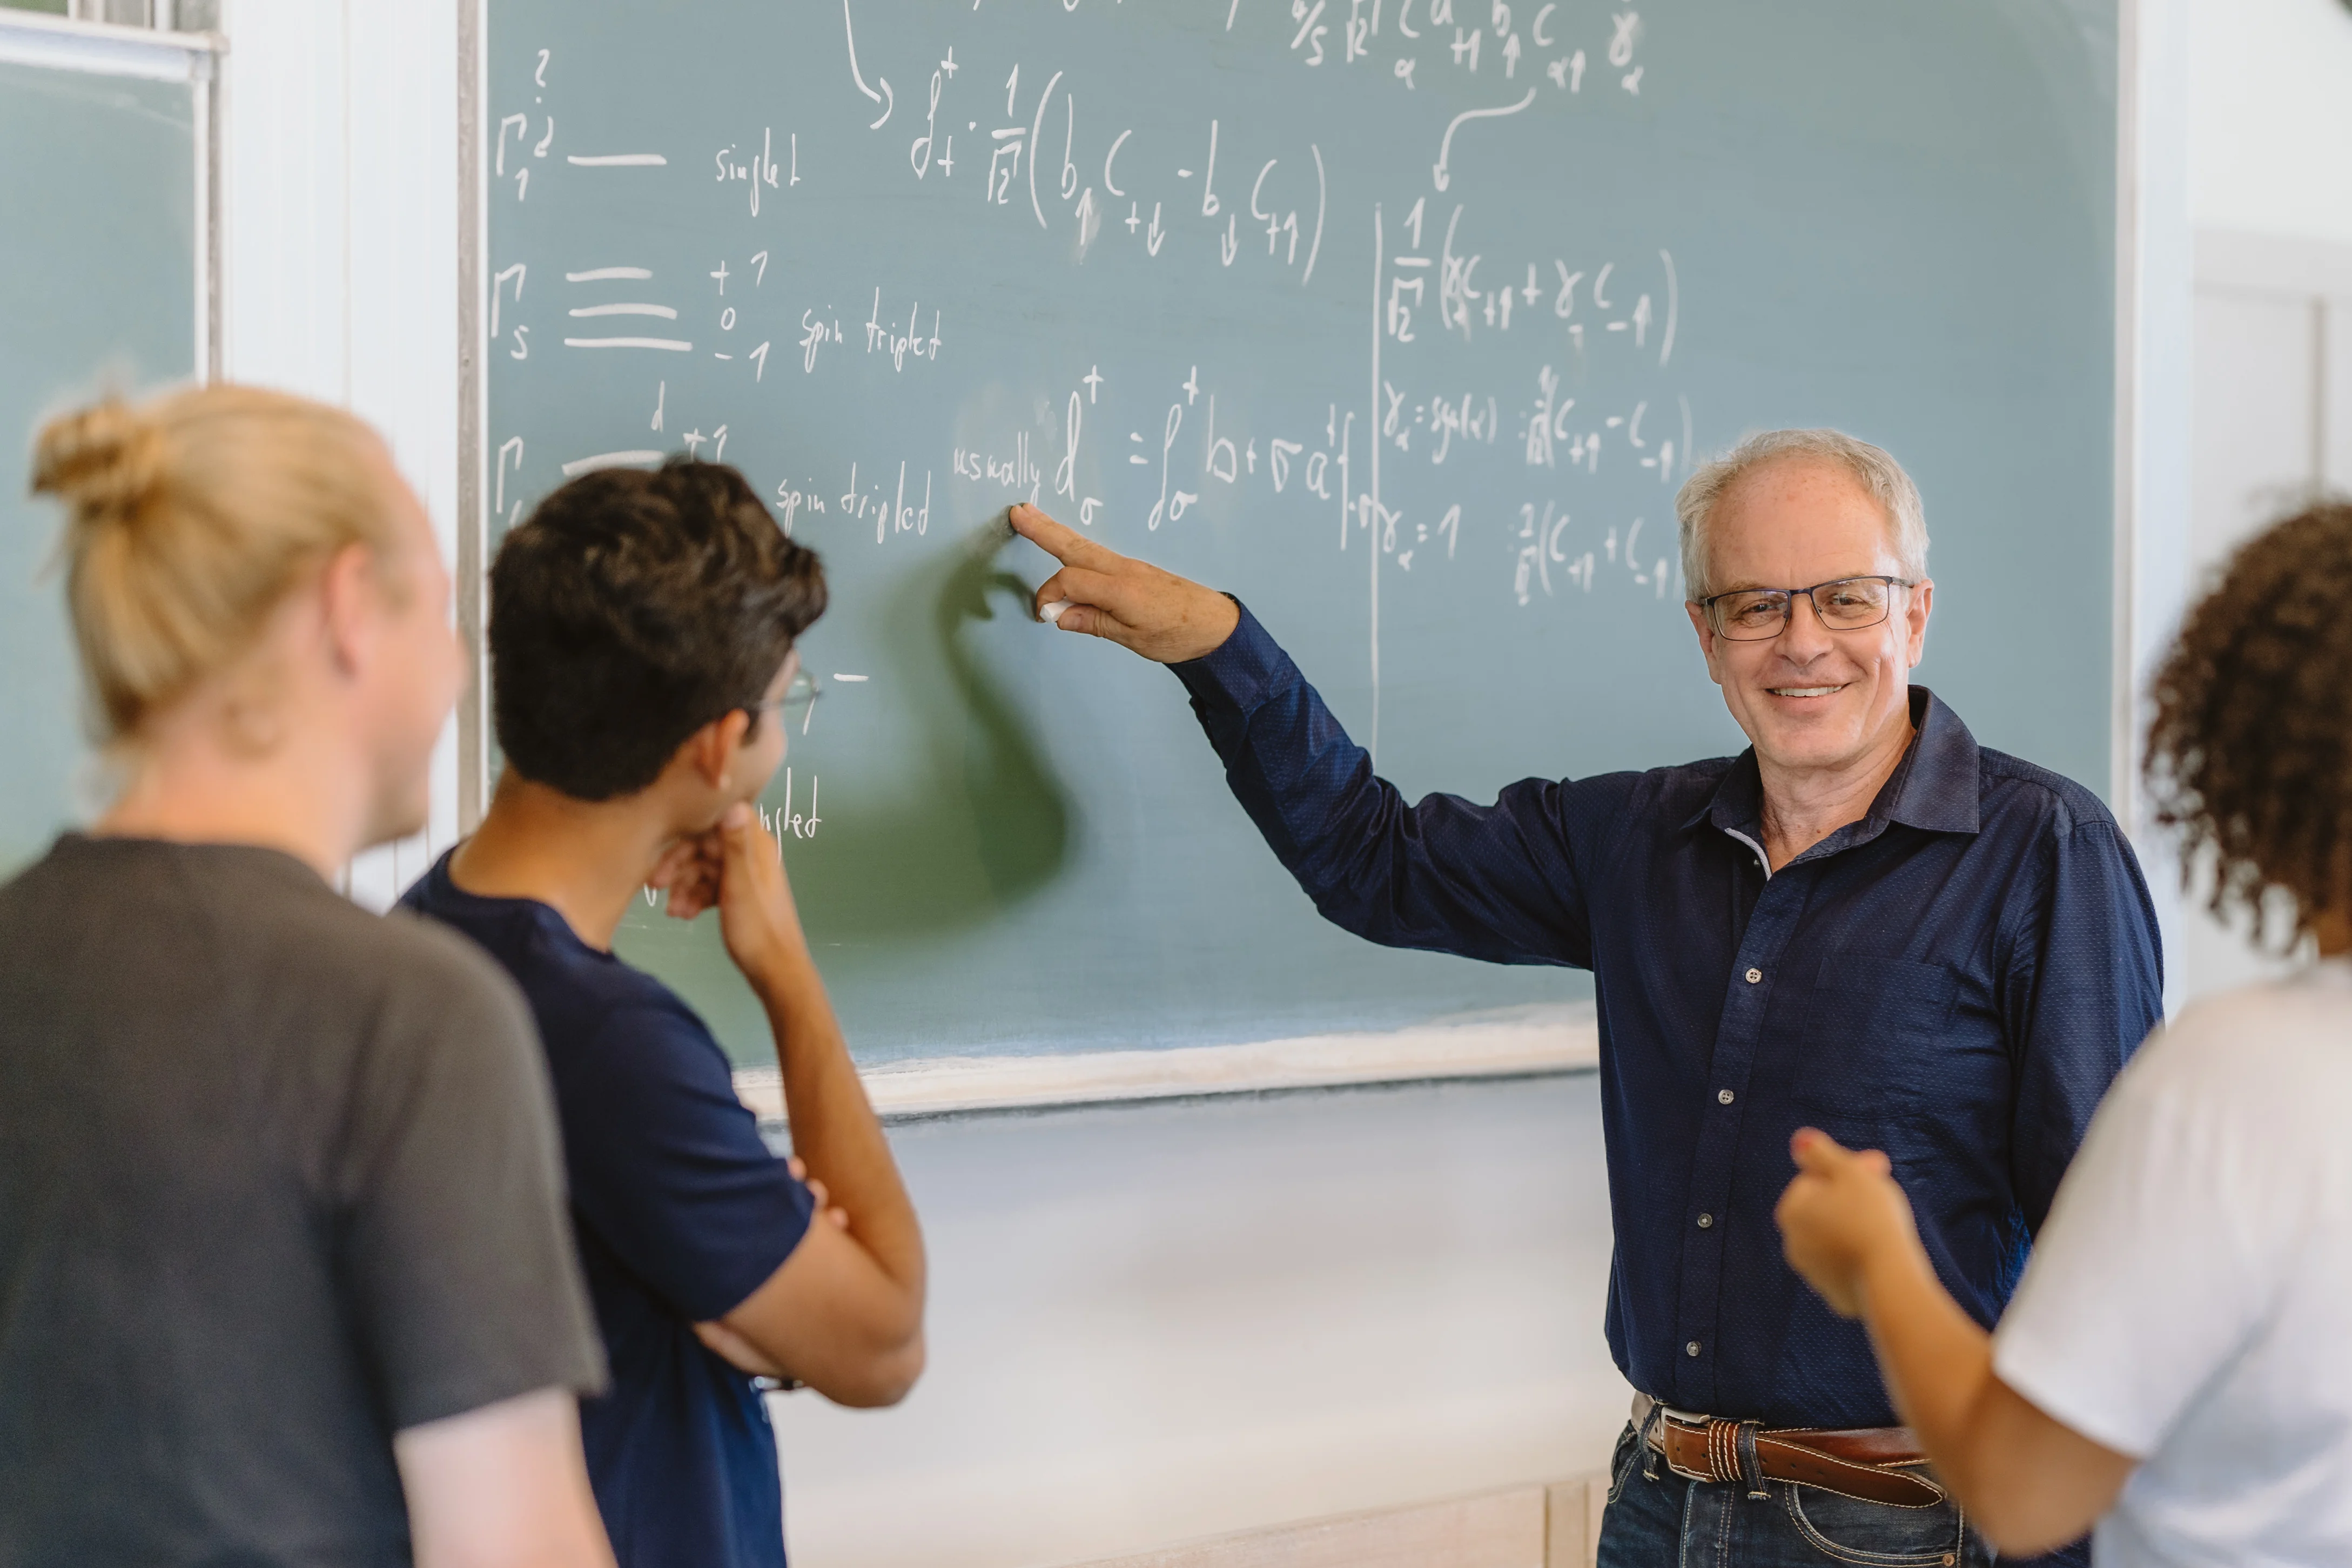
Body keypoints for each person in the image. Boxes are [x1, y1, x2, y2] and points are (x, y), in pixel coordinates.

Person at [1009, 426, 2162, 1566]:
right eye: (1754, 605)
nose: (1799, 642)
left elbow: (2108, 1267)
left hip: (1910, 1531)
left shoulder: (2042, 852)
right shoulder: (1635, 838)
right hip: (1661, 1502)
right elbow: (1377, 862)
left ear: (1913, 612)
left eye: (1845, 600)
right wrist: (1219, 647)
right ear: (1704, 638)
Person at [0, 386, 613, 1567]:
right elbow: (512, 1544)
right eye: (440, 610)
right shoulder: (405, 1019)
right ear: (346, 608)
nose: (454, 674)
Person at [1775, 499, 2352, 1565]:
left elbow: (2021, 1485)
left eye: (1842, 596)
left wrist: (1877, 1260)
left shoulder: (2243, 1083)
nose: (1800, 638)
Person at [401, 459, 926, 1568]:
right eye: (782, 706)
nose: (780, 740)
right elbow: (881, 1340)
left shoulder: (415, 948)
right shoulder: (613, 1046)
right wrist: (786, 974)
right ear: (711, 748)